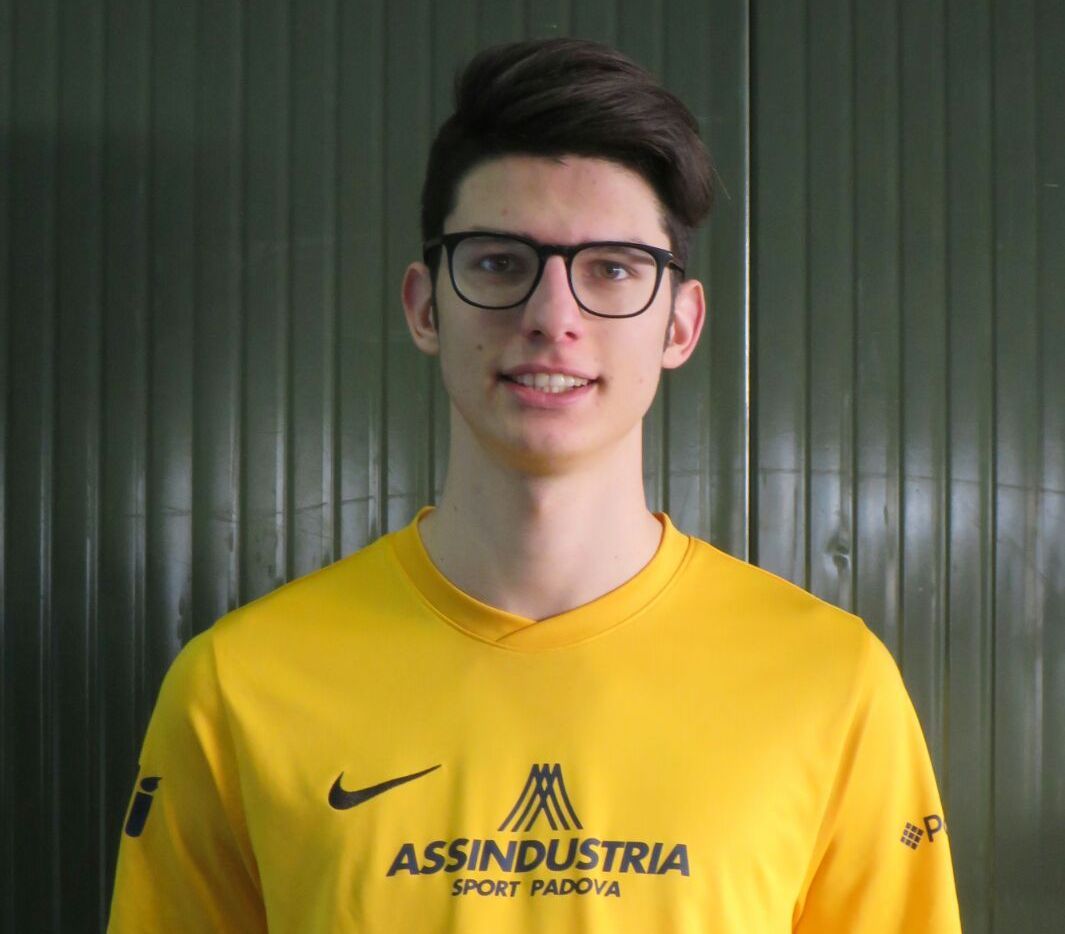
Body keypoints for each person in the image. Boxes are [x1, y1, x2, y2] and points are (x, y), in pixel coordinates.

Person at [108, 38, 962, 933]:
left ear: (680, 324)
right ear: (424, 306)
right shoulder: (238, 686)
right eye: (497, 261)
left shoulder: (832, 684)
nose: (553, 317)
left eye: (613, 269)